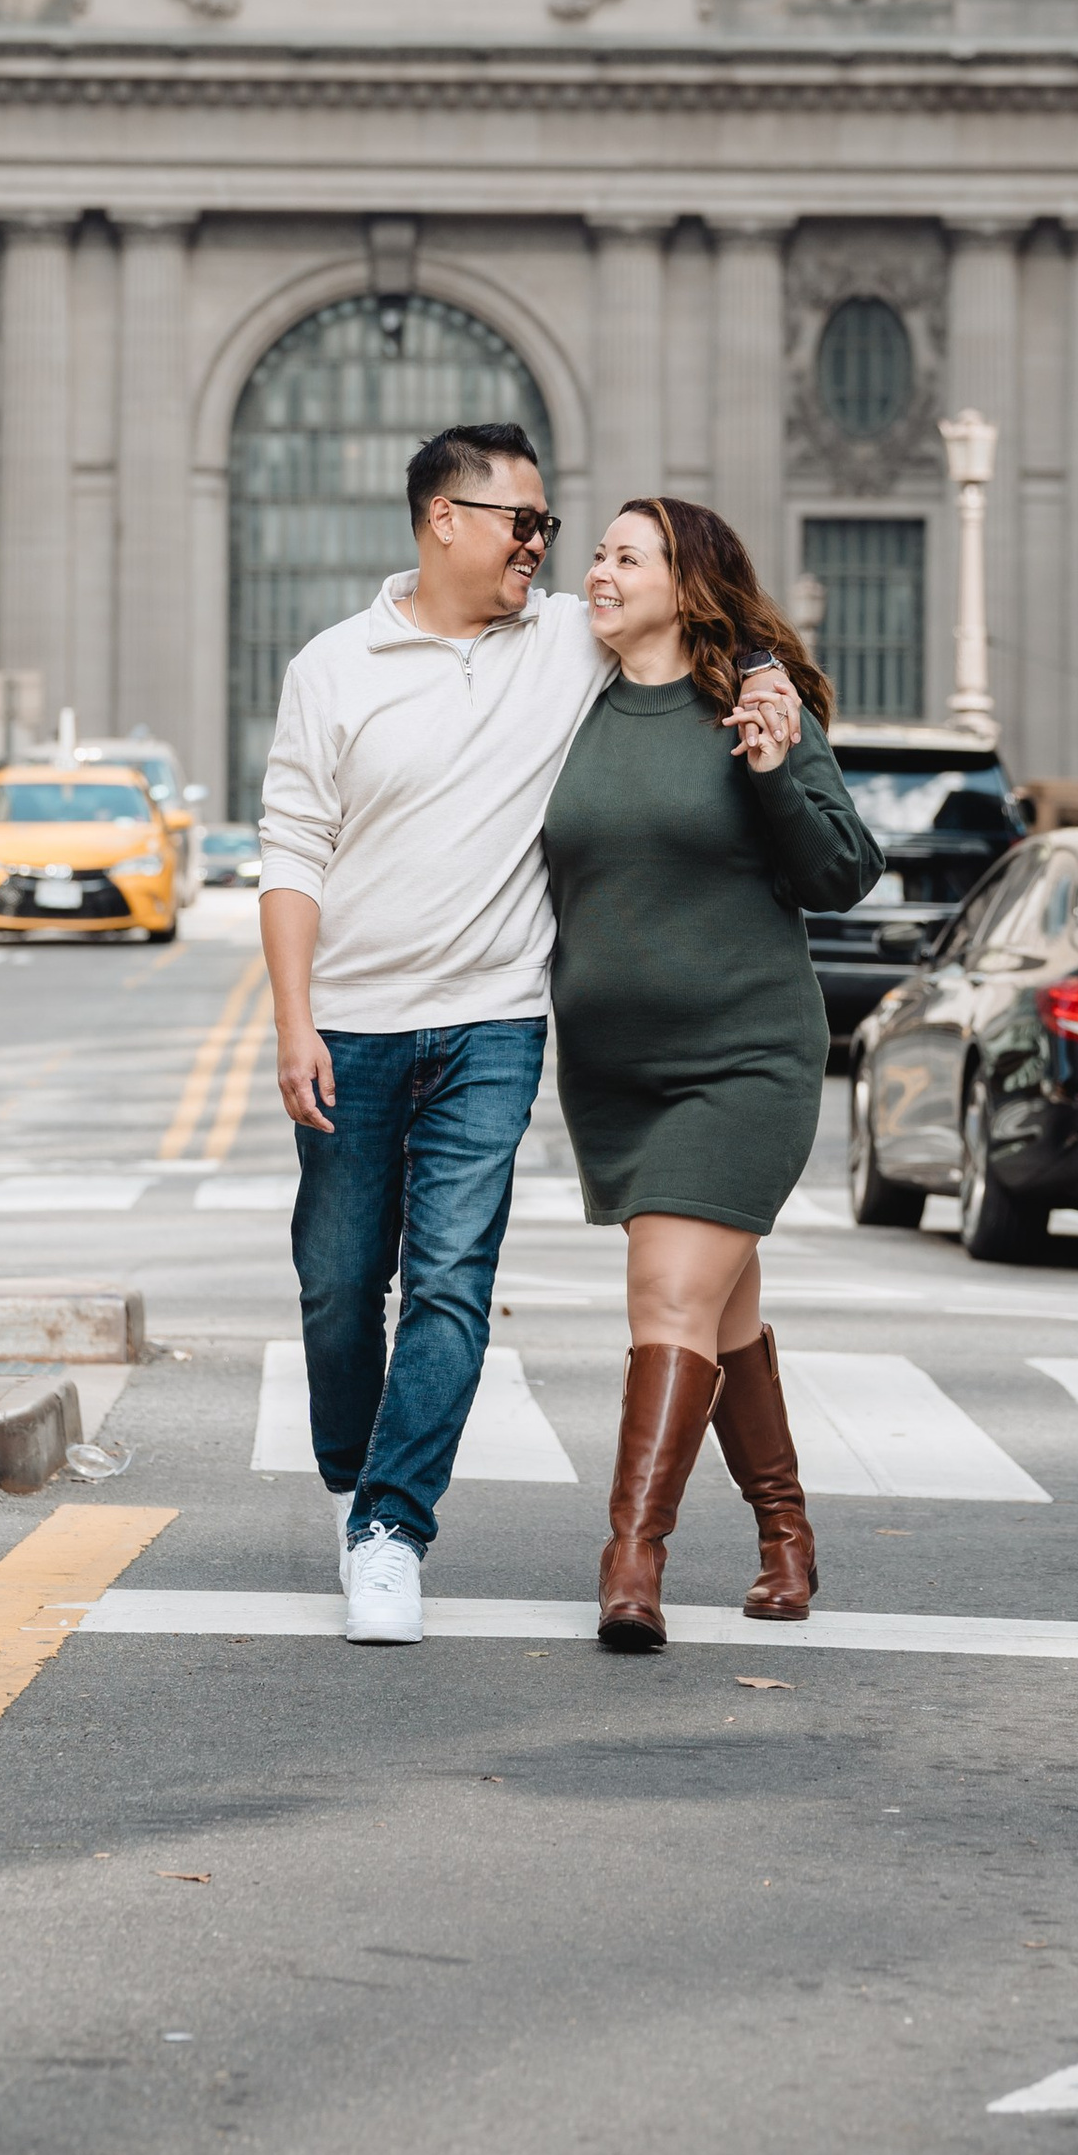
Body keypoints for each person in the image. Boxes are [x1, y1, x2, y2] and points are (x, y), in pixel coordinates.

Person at [260, 425, 801, 1645]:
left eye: (550, 529)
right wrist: (294, 1019)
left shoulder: (564, 639)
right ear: (442, 519)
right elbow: (291, 848)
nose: (544, 549)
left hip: (494, 1022)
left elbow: (691, 604)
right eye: (523, 523)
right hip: (352, 1020)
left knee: (451, 1281)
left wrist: (766, 672)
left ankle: (392, 1525)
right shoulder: (332, 667)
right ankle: (361, 1460)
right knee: (340, 1284)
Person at [543, 498, 882, 1653]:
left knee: (667, 1293)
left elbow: (843, 872)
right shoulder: (568, 706)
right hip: (615, 1072)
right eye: (596, 552)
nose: (596, 569)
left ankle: (631, 1555)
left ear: (686, 587)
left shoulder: (753, 697)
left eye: (624, 556)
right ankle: (785, 1536)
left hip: (741, 1058)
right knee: (719, 1306)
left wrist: (781, 766)